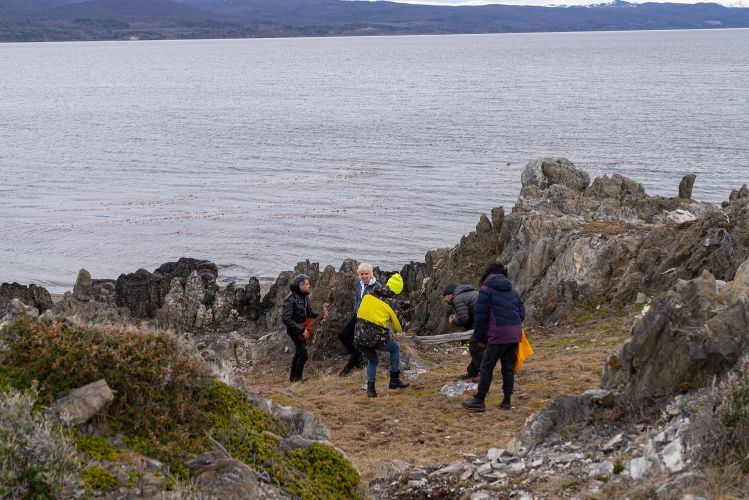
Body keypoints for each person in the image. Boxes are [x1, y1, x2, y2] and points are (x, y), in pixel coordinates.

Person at [462, 262, 525, 412]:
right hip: (514, 335)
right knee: (508, 369)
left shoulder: (486, 290)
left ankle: (479, 400)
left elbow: (481, 318)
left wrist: (481, 339)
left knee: (486, 367)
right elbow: (522, 314)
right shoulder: (513, 291)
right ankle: (506, 402)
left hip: (498, 335)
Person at [355, 273, 410, 398]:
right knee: (395, 348)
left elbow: (376, 309)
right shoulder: (393, 303)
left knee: (373, 359)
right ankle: (394, 379)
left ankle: (371, 389)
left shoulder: (368, 295)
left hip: (359, 336)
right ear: (397, 290)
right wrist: (402, 313)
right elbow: (400, 328)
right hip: (377, 338)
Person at [281, 274, 326, 383]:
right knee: (304, 355)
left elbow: (309, 313)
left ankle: (293, 379)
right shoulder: (290, 299)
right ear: (300, 285)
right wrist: (301, 330)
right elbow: (286, 319)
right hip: (295, 330)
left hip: (304, 328)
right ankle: (298, 379)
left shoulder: (305, 296)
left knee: (299, 353)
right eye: (307, 284)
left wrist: (321, 315)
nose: (309, 286)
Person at [338, 263, 378, 376]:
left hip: (369, 319)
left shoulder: (376, 287)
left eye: (366, 274)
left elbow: (380, 305)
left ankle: (348, 369)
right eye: (362, 274)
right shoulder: (359, 284)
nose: (364, 276)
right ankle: (359, 360)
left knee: (359, 342)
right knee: (343, 335)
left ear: (371, 274)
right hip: (358, 315)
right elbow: (357, 299)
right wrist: (356, 309)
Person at [442, 282, 482, 380]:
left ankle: (483, 373)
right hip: (489, 320)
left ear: (450, 294)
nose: (444, 299)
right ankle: (473, 372)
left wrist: (453, 321)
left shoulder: (458, 298)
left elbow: (464, 319)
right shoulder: (468, 294)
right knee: (477, 347)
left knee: (475, 347)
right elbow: (469, 313)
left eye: (445, 296)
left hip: (486, 323)